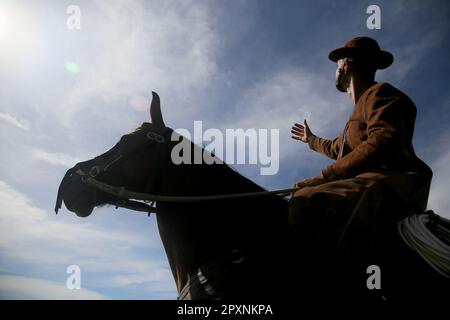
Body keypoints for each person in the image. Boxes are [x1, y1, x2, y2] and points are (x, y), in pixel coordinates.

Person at [288, 37, 433, 285]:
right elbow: (337, 147)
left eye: (337, 65)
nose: (335, 70)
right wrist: (310, 139)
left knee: (307, 200)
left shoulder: (380, 93)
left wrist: (324, 177)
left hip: (390, 185)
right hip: (372, 184)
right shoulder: (354, 119)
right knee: (299, 193)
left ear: (346, 65)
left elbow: (383, 140)